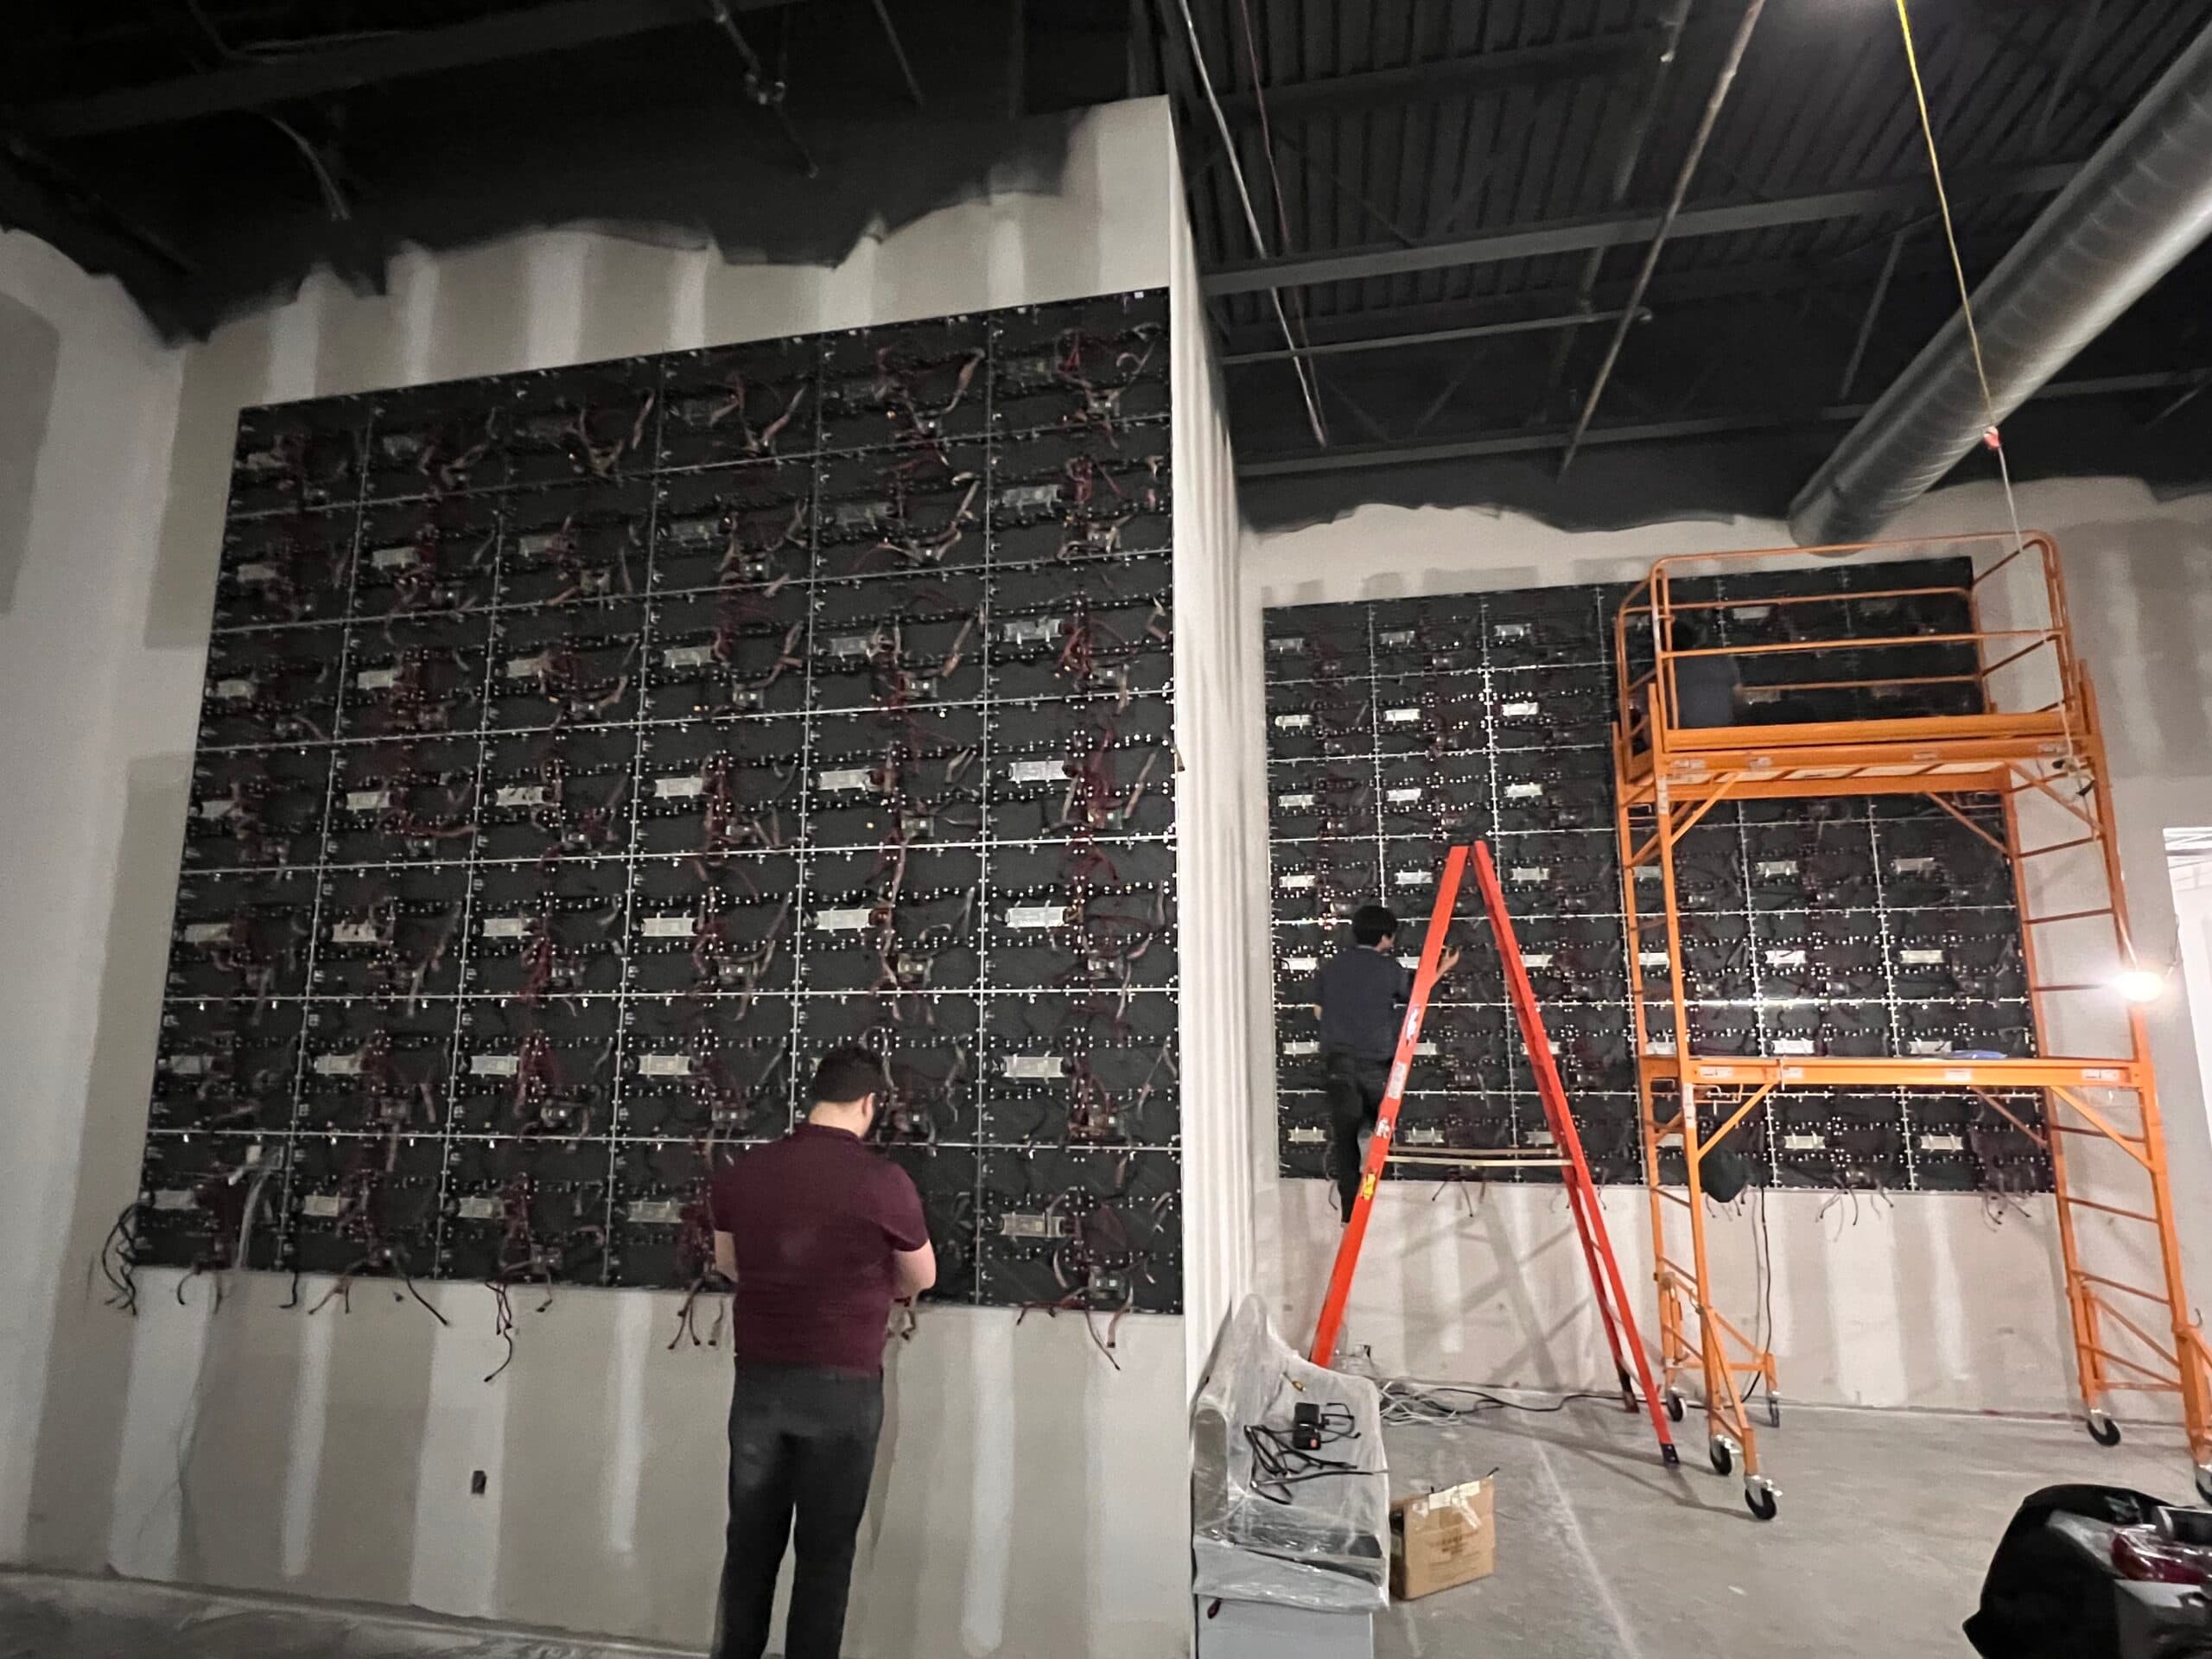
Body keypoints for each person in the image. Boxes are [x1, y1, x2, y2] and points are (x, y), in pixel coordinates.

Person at [708, 1047, 937, 1659]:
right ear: (868, 1103)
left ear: (812, 1097)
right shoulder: (884, 1182)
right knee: (825, 1555)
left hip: (758, 1384)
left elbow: (729, 1264)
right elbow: (922, 1276)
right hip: (844, 1387)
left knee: (750, 1546)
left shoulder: (744, 1172)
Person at [1313, 904, 1459, 1224]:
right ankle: (1372, 1137)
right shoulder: (1388, 968)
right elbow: (1416, 996)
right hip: (1374, 1062)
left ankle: (1349, 1212)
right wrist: (1444, 967)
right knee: (1381, 1120)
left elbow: (1318, 1012)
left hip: (1337, 1063)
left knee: (1343, 1139)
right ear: (1384, 937)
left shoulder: (1331, 967)